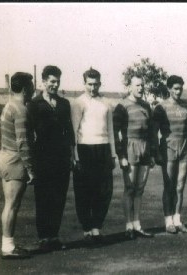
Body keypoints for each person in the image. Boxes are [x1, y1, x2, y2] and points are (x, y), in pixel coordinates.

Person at [27, 66, 75, 252]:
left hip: (62, 158)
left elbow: (69, 130)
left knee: (59, 198)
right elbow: (30, 133)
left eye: (58, 82)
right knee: (43, 198)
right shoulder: (34, 104)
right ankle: (43, 238)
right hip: (43, 158)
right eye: (52, 81)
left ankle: (53, 236)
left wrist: (71, 154)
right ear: (44, 81)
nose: (55, 85)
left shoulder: (64, 104)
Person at [71, 68, 116, 245]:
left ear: (100, 83)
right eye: (89, 84)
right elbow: (74, 131)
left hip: (103, 149)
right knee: (84, 191)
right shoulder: (78, 103)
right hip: (84, 149)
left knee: (104, 190)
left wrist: (112, 154)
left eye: (96, 84)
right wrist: (75, 156)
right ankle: (87, 229)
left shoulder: (106, 103)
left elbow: (111, 130)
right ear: (84, 84)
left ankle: (97, 227)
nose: (93, 87)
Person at [113, 74, 156, 239]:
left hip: (144, 148)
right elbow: (116, 134)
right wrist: (121, 155)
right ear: (130, 87)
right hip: (130, 148)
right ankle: (128, 226)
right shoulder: (122, 106)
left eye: (142, 86)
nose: (140, 88)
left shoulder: (146, 106)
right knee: (130, 188)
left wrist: (152, 153)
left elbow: (152, 132)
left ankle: (137, 224)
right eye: (137, 85)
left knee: (140, 189)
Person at [0, 73, 35, 259]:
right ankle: (8, 247)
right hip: (14, 161)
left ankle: (8, 244)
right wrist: (30, 169)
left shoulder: (9, 106)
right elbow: (23, 142)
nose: (34, 89)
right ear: (26, 88)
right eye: (32, 85)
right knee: (12, 205)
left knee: (9, 205)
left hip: (4, 157)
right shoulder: (21, 109)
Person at [153, 75, 187, 234]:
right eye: (175, 88)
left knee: (180, 186)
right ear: (169, 89)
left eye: (180, 88)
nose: (179, 91)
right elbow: (154, 131)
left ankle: (177, 220)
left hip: (184, 149)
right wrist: (157, 152)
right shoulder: (161, 107)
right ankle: (168, 221)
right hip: (168, 148)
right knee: (169, 186)